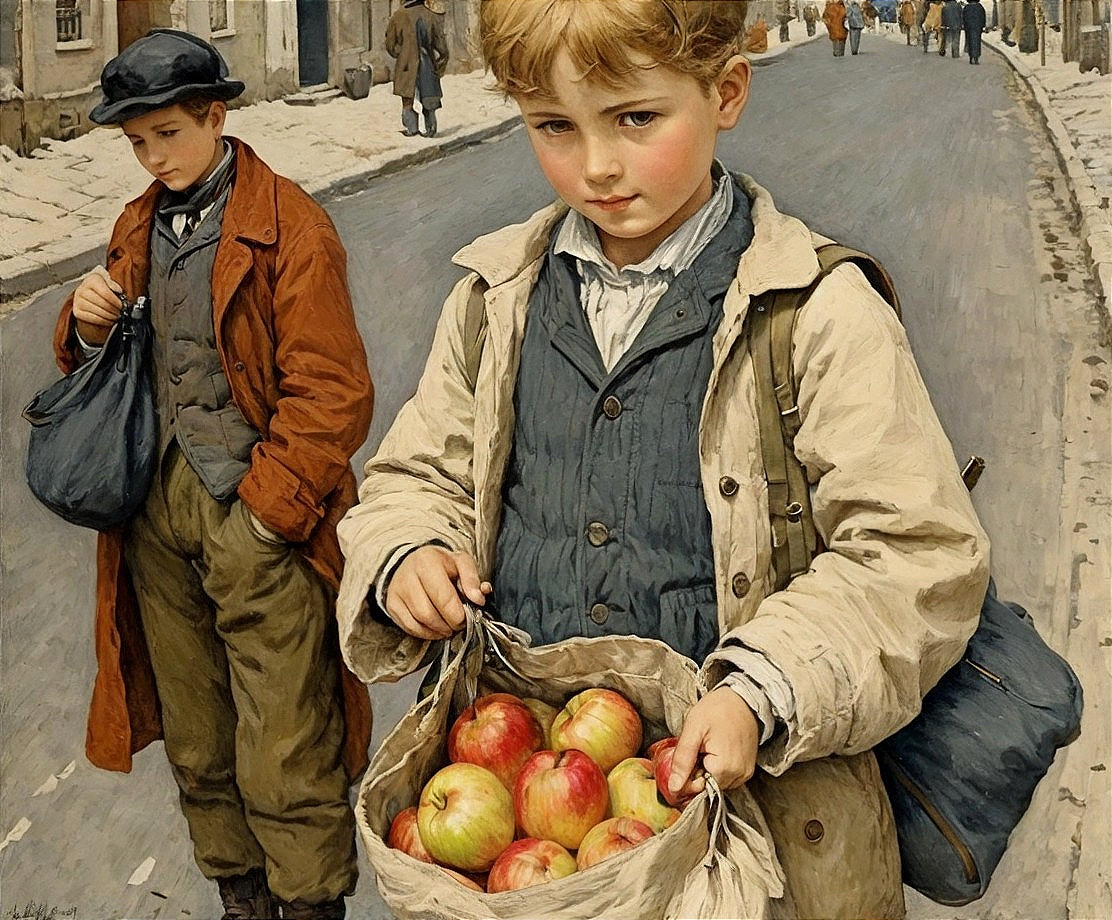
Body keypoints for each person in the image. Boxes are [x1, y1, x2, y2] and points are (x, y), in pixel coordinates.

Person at [334, 2, 989, 917]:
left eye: (635, 118)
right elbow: (420, 475)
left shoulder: (814, 311)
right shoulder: (497, 299)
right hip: (533, 834)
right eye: (554, 126)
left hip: (756, 830)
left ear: (727, 92)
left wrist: (764, 688)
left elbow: (917, 553)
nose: (597, 165)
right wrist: (409, 552)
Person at [54, 28, 374, 920]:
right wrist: (84, 325)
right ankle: (241, 899)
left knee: (287, 746)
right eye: (138, 142)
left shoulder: (291, 227)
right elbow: (104, 369)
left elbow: (332, 395)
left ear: (216, 118)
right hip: (157, 522)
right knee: (198, 740)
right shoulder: (136, 225)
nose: (155, 158)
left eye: (169, 135)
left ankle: (308, 906)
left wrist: (264, 519)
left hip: (261, 519)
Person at [385, 0, 450, 138]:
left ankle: (411, 129)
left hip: (406, 64)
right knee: (429, 99)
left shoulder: (398, 15)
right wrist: (440, 61)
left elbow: (390, 46)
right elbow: (441, 45)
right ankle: (431, 129)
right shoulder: (431, 15)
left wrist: (403, 53)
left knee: (407, 100)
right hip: (427, 62)